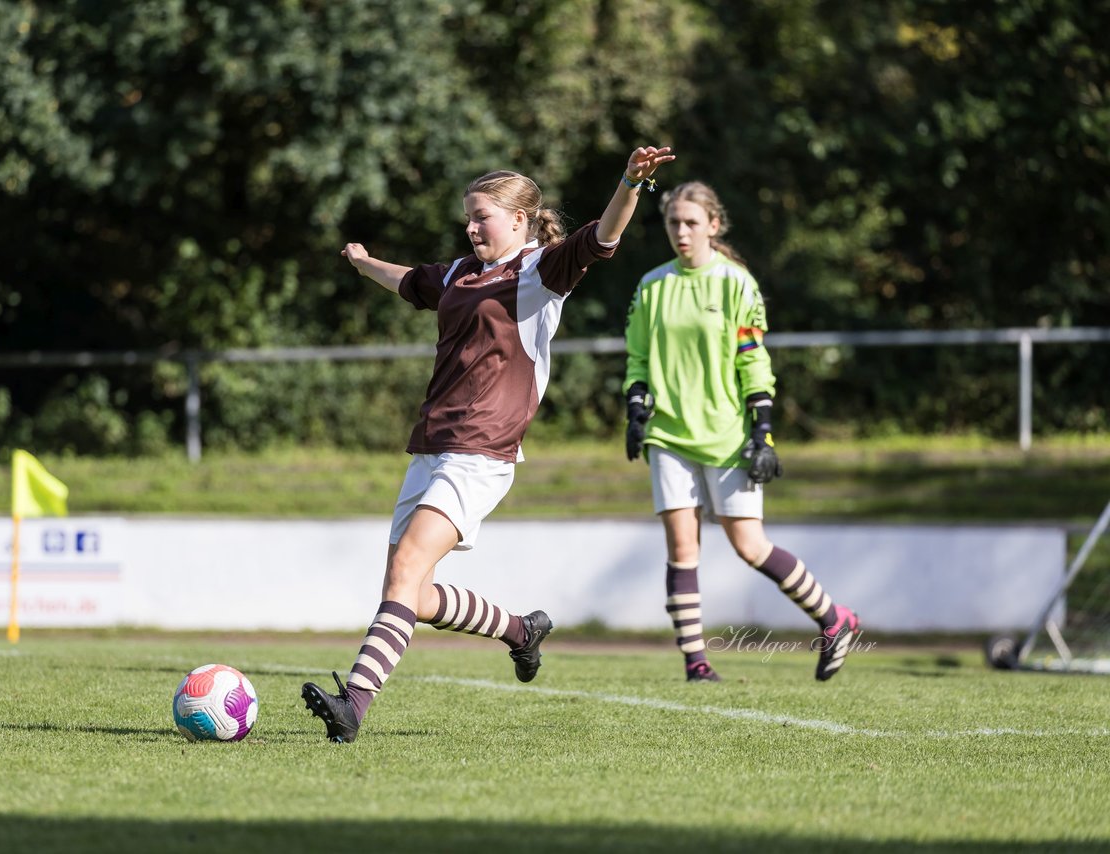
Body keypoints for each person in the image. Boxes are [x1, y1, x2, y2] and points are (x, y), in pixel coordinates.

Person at [301, 145, 675, 742]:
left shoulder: (540, 271)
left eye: (483, 216)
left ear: (521, 219)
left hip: (481, 449)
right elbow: (412, 283)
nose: (472, 226)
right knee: (412, 593)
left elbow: (601, 238)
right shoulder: (457, 274)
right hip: (431, 444)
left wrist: (630, 181)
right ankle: (521, 632)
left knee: (404, 569)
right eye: (468, 217)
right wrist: (365, 262)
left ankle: (354, 705)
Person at [622, 181, 859, 683]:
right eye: (673, 223)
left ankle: (834, 620)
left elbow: (754, 362)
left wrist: (763, 432)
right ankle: (696, 664)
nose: (681, 232)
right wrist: (636, 409)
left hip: (728, 436)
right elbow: (638, 359)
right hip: (668, 435)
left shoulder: (737, 284)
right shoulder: (651, 286)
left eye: (691, 222)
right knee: (682, 551)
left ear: (713, 224)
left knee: (750, 547)